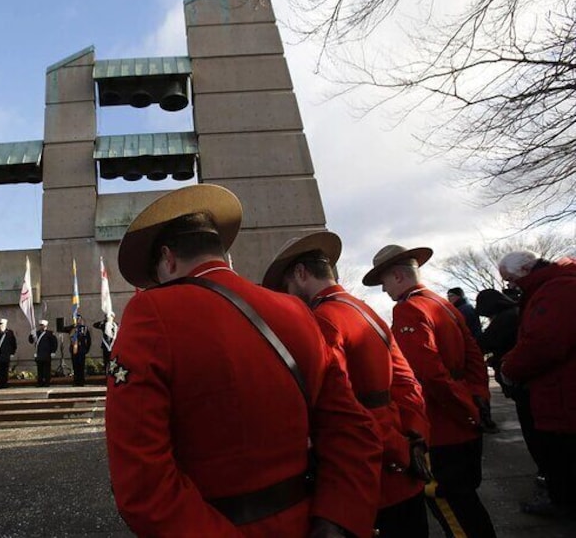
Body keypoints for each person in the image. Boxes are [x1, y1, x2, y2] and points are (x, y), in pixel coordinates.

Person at [107, 184, 383, 538]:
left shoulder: (151, 310)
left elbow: (142, 480)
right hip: (308, 522)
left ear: (168, 259)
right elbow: (351, 429)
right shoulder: (296, 310)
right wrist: (336, 521)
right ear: (221, 253)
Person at [263, 232, 431, 537]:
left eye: (286, 286)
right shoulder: (364, 309)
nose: (287, 295)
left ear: (300, 274)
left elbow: (340, 408)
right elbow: (407, 383)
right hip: (400, 463)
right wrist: (412, 437)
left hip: (369, 474)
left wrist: (394, 448)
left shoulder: (323, 318)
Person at [363, 244, 496, 538]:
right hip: (464, 419)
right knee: (467, 503)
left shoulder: (409, 309)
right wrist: (477, 400)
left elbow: (427, 373)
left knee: (451, 507)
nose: (384, 290)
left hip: (442, 426)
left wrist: (465, 409)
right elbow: (473, 357)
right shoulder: (443, 304)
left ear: (397, 276)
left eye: (383, 282)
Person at [499, 250, 576, 517]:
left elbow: (544, 343)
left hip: (564, 396)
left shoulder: (556, 290)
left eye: (510, 280)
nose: (510, 287)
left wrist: (509, 369)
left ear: (523, 271)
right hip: (560, 393)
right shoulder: (552, 287)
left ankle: (563, 502)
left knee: (563, 458)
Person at [476, 289, 545, 487]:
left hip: (522, 382)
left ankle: (547, 478)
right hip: (528, 381)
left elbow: (482, 343)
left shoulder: (505, 319)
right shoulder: (516, 312)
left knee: (534, 433)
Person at [30, 320, 57, 387]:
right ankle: (40, 382)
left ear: (46, 326)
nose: (42, 326)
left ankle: (47, 382)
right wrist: (31, 335)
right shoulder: (37, 333)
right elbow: (31, 341)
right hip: (39, 354)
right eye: (41, 325)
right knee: (40, 369)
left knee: (47, 370)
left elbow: (54, 343)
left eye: (44, 325)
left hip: (47, 354)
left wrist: (53, 351)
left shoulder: (50, 333)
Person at [69, 317, 92, 386]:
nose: (78, 321)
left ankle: (81, 381)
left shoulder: (84, 329)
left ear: (81, 320)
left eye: (79, 319)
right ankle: (76, 381)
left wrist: (86, 349)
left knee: (81, 366)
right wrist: (73, 326)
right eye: (76, 319)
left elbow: (89, 340)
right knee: (75, 366)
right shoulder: (72, 328)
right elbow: (63, 329)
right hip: (74, 350)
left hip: (81, 350)